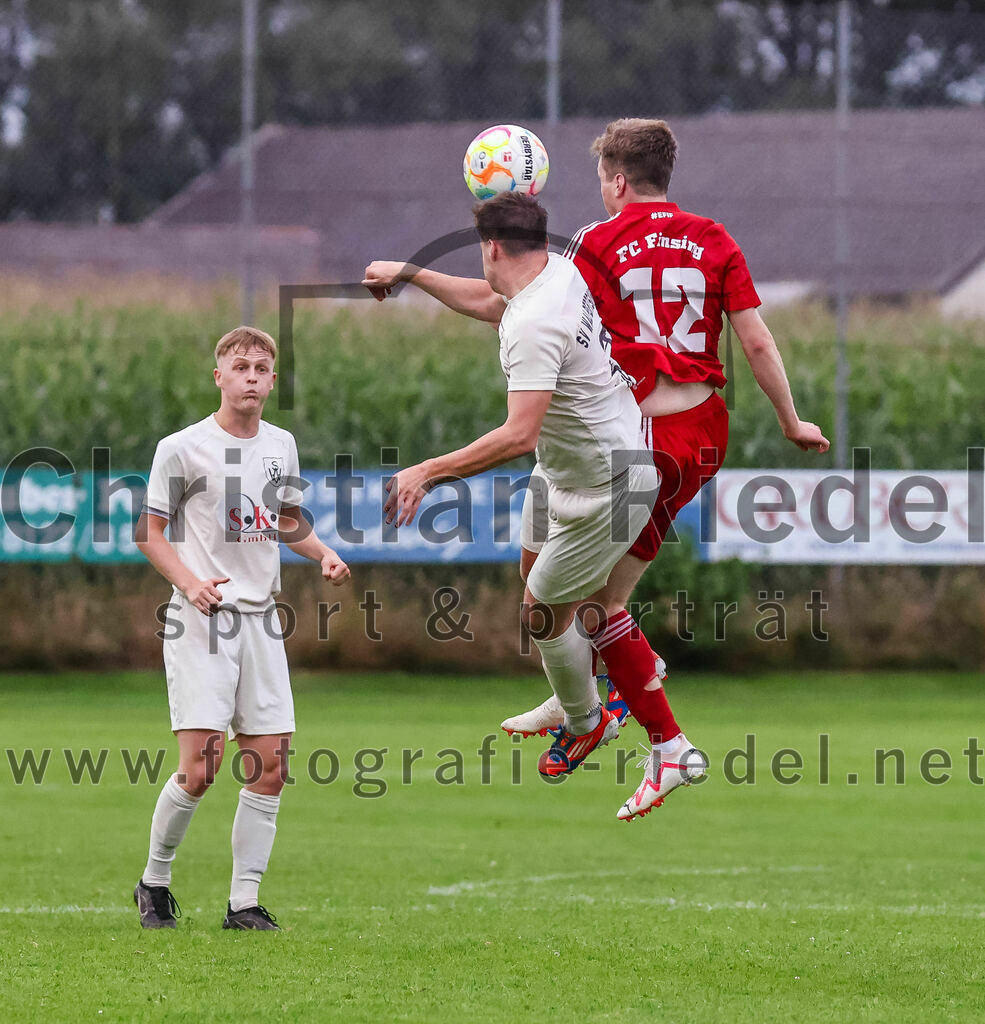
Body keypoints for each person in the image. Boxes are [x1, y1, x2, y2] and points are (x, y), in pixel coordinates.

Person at [364, 118, 828, 821]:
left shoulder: (593, 243)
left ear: (614, 181)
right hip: (699, 426)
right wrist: (790, 420)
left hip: (642, 436)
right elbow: (756, 343)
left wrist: (412, 275)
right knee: (546, 575)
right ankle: (586, 687)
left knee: (594, 604)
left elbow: (504, 304)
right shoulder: (712, 238)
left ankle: (650, 732)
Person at [384, 191, 660, 780]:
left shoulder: (534, 324)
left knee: (539, 611)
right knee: (533, 576)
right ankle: (572, 691)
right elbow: (491, 299)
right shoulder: (558, 269)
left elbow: (518, 435)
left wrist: (425, 472)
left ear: (490, 247)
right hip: (570, 469)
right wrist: (411, 274)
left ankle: (589, 722)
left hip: (610, 489)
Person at [133, 325, 350, 929]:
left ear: (272, 380)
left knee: (270, 766)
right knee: (201, 767)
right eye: (241, 366)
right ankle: (154, 881)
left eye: (262, 368)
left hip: (262, 621)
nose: (252, 377)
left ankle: (243, 904)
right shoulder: (181, 447)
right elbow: (150, 533)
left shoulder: (282, 444)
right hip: (202, 618)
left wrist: (322, 551)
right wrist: (189, 582)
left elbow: (283, 522)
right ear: (219, 376)